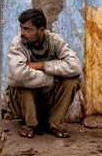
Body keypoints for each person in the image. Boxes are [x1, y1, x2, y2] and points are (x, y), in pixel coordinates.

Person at [7, 8, 82, 139]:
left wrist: (42, 65)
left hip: (47, 98)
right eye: (21, 28)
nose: (22, 33)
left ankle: (55, 124)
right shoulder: (18, 44)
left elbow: (75, 67)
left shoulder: (54, 41)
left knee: (73, 80)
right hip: (24, 103)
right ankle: (30, 124)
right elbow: (18, 75)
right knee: (24, 82)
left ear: (41, 30)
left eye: (27, 29)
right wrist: (54, 79)